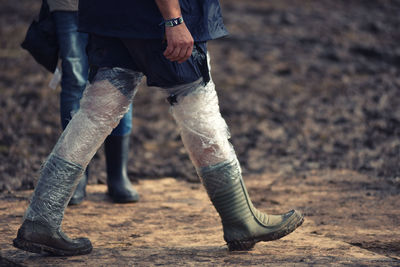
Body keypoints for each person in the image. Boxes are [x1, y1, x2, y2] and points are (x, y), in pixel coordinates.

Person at [13, 0, 304, 256]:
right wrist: (173, 18)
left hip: (110, 14)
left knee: (95, 113)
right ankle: (240, 220)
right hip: (155, 16)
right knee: (197, 107)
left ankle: (42, 219)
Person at [48, 0, 139, 204]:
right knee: (74, 80)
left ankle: (117, 175)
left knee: (119, 78)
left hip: (116, 7)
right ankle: (75, 175)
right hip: (70, 5)